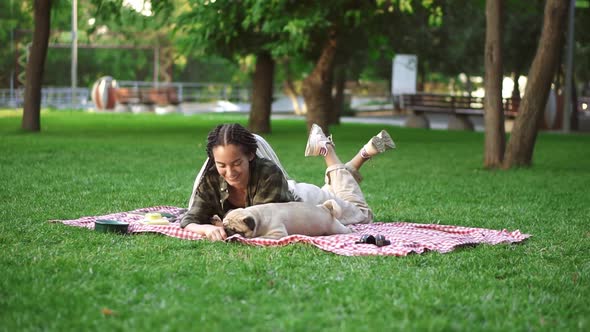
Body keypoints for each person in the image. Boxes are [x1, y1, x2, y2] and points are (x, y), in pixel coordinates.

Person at [180, 123, 395, 241]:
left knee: (361, 213)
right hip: (295, 196)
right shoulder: (211, 179)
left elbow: (260, 224)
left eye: (236, 163)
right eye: (221, 165)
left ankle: (326, 150)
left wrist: (221, 225)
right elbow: (189, 219)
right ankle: (363, 155)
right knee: (338, 190)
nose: (229, 172)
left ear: (251, 156)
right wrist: (207, 229)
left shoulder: (267, 173)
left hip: (308, 202)